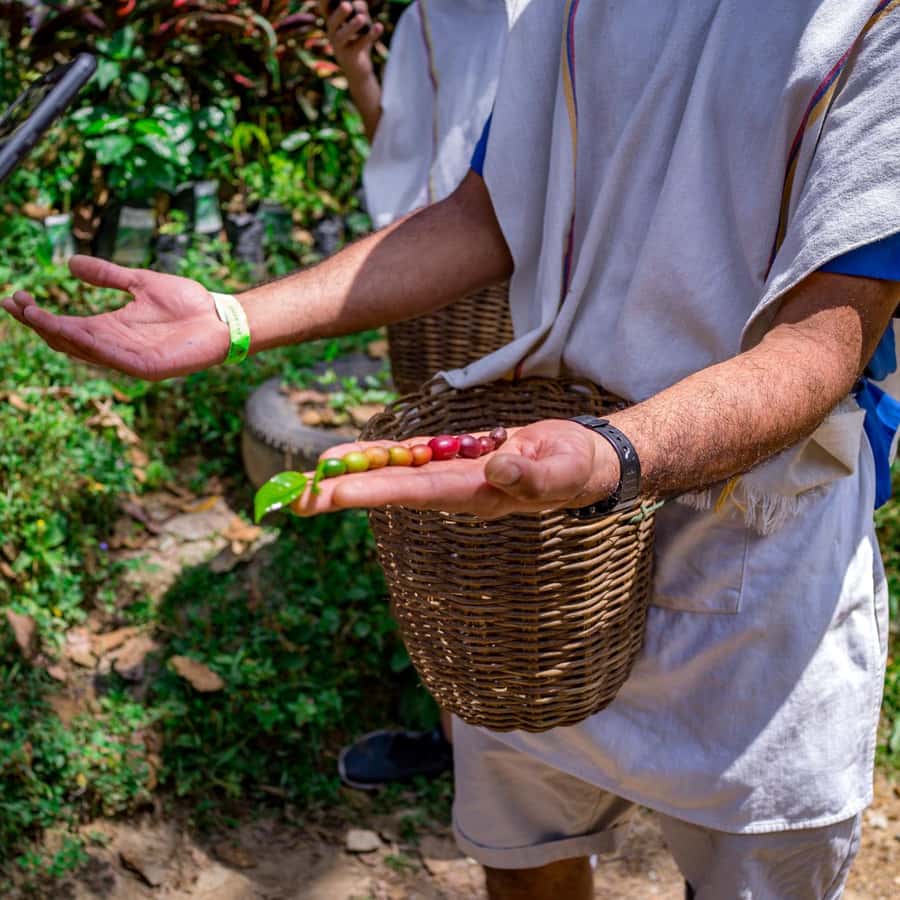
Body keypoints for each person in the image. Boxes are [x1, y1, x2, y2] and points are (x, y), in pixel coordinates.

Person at [5, 1, 900, 896]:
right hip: (537, 548)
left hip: (750, 546)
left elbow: (817, 346)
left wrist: (606, 457)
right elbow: (487, 215)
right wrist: (236, 317)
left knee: (751, 865)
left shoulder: (874, 22)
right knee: (521, 856)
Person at [319, 0, 511, 789]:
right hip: (441, 303)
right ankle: (461, 733)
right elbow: (402, 159)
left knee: (540, 503)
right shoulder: (438, 14)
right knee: (436, 505)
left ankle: (546, 733)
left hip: (545, 294)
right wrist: (358, 68)